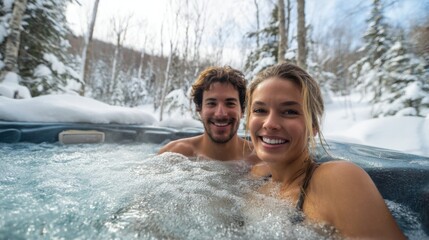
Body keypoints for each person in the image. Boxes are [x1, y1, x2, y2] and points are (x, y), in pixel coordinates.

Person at [246, 63, 405, 239]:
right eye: (260, 110)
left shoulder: (339, 179)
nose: (269, 123)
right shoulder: (257, 177)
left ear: (313, 126)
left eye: (289, 111)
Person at [158, 66, 259, 164]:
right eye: (211, 103)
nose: (220, 114)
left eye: (230, 103)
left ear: (242, 110)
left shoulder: (260, 160)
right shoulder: (173, 155)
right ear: (199, 109)